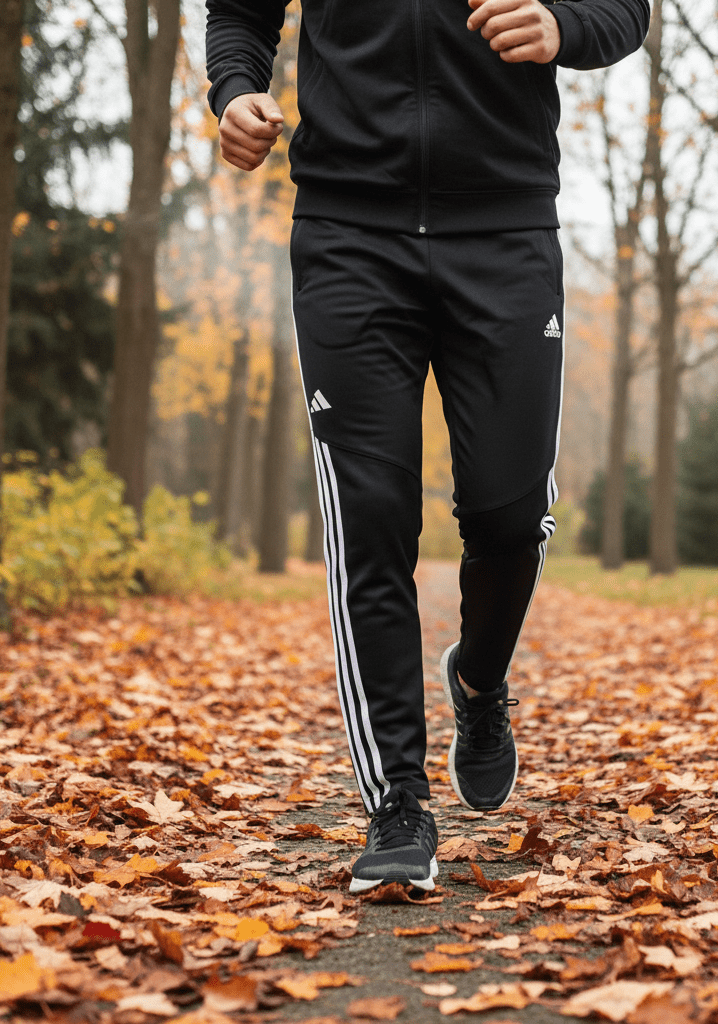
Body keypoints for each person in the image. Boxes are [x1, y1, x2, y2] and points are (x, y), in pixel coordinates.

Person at [205, 0, 649, 892]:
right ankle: (397, 803)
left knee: (510, 512)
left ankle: (478, 684)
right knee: (370, 515)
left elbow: (625, 9)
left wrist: (564, 25)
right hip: (347, 235)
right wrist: (236, 90)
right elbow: (240, 11)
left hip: (506, 228)